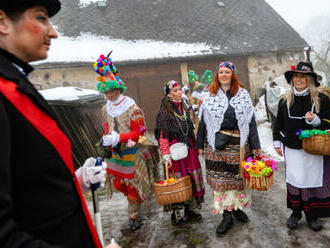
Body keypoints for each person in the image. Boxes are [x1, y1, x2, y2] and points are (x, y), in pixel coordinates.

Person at [0, 1, 122, 247]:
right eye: (41, 18)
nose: (53, 32)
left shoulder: (15, 82)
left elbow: (25, 188)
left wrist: (74, 182)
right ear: (2, 22)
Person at [95, 54, 160, 232]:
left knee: (132, 187)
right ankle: (135, 200)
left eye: (111, 91)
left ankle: (134, 216)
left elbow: (140, 131)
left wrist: (120, 138)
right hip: (115, 153)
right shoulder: (105, 108)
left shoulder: (132, 108)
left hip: (132, 151)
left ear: (118, 89)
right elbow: (106, 126)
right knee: (118, 184)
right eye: (105, 92)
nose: (108, 95)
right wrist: (107, 137)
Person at [197, 61, 261, 236]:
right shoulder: (209, 96)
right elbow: (202, 122)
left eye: (227, 72)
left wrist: (256, 146)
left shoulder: (243, 95)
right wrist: (199, 144)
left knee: (237, 181)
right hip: (215, 146)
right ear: (217, 76)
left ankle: (237, 208)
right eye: (221, 72)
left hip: (238, 146)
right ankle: (226, 216)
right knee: (220, 183)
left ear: (233, 74)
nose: (224, 75)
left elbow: (251, 123)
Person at [273, 61, 330, 232]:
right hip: (292, 149)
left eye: (302, 76)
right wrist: (276, 140)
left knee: (311, 181)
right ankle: (296, 213)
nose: (298, 79)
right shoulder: (284, 100)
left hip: (314, 150)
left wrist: (315, 120)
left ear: (310, 79)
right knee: (295, 181)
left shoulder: (321, 99)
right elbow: (278, 124)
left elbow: (328, 122)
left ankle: (312, 215)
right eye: (296, 76)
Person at [155, 80, 205, 226]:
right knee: (178, 181)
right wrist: (165, 155)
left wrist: (196, 147)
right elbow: (162, 136)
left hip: (188, 150)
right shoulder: (164, 113)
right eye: (175, 90)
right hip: (174, 153)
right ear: (168, 94)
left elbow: (190, 130)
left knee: (191, 178)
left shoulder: (183, 108)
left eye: (179, 90)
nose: (179, 92)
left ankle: (190, 209)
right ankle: (177, 212)